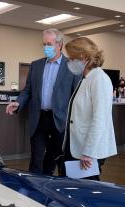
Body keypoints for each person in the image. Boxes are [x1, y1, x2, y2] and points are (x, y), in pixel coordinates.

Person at [6, 28, 80, 175]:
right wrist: (18, 102)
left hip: (60, 120)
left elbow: (76, 96)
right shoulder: (36, 65)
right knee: (36, 159)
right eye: (44, 44)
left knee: (59, 159)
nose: (46, 47)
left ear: (60, 45)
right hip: (39, 118)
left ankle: (56, 190)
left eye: (49, 44)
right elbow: (27, 90)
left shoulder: (71, 66)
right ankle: (34, 190)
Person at [63, 37, 117, 179]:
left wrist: (89, 152)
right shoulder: (86, 78)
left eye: (71, 58)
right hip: (77, 146)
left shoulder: (100, 79)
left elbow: (100, 119)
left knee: (86, 189)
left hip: (88, 151)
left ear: (83, 57)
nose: (69, 62)